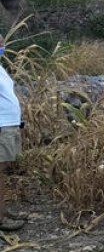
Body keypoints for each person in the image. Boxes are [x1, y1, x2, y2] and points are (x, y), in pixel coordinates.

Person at [0, 38, 26, 232]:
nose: (2, 45)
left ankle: (3, 210)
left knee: (4, 170)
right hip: (2, 126)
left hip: (10, 125)